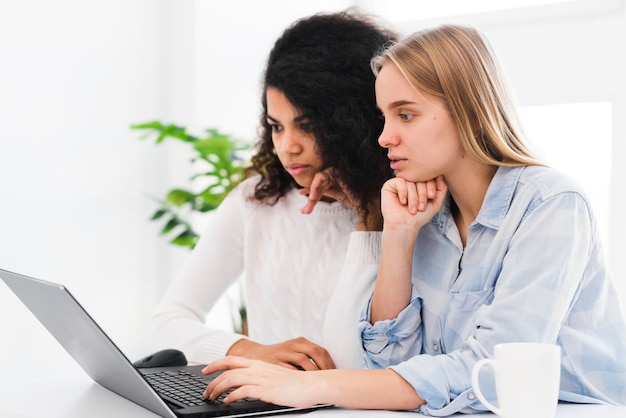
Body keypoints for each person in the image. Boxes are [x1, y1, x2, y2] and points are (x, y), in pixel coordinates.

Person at [200, 24, 626, 413]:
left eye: (405, 114)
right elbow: (388, 363)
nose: (385, 136)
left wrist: (316, 386)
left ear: (468, 111)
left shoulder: (551, 204)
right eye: (384, 116)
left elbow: (494, 370)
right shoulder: (427, 213)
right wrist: (399, 238)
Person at [145, 10, 398, 370]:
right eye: (276, 127)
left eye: (306, 125)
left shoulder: (402, 209)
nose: (288, 147)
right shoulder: (256, 202)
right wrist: (251, 351)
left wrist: (369, 212)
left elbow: (376, 354)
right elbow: (166, 322)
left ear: (353, 120)